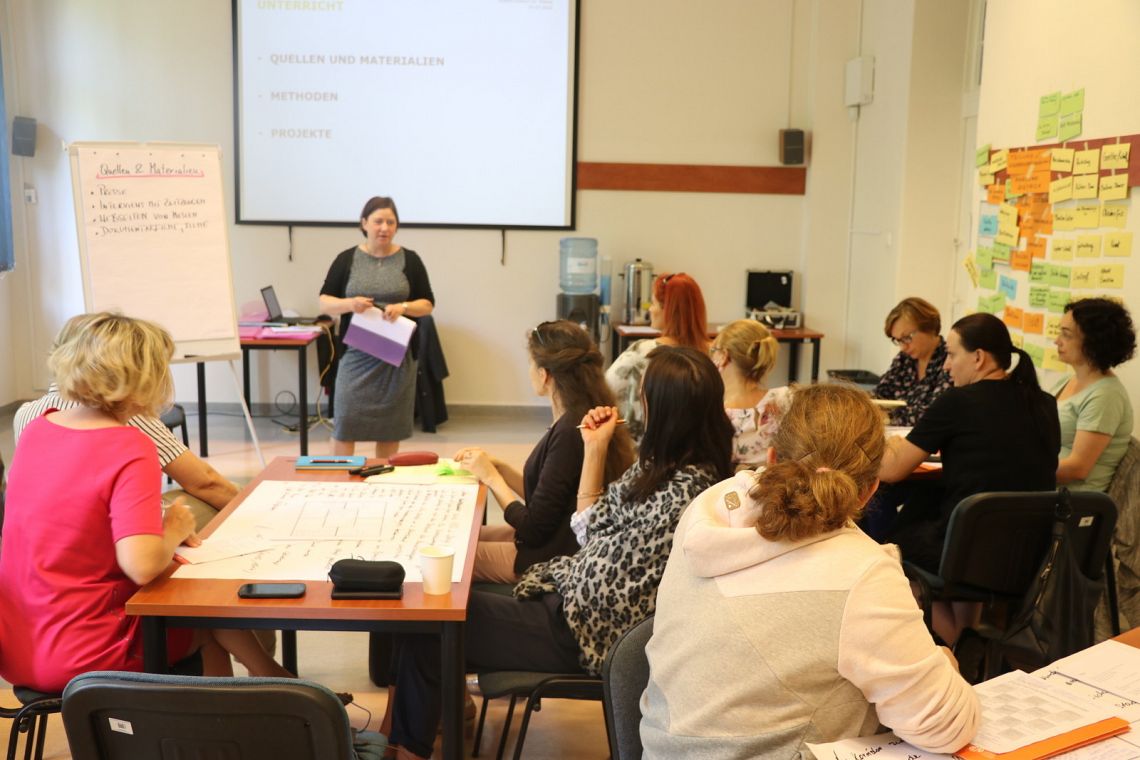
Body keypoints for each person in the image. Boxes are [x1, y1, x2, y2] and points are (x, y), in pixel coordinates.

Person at [382, 347, 734, 760]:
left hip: (581, 634)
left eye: (644, 398)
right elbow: (588, 529)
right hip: (566, 602)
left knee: (429, 624)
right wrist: (594, 449)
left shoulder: (684, 492)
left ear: (664, 411)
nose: (638, 408)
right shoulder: (661, 468)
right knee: (428, 613)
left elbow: (599, 568)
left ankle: (405, 749)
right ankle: (414, 732)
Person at [641, 384, 980, 758]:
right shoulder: (861, 573)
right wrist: (945, 663)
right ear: (871, 489)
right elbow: (945, 727)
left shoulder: (706, 510)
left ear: (771, 457)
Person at [0, 313, 299, 693]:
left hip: (20, 646)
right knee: (200, 609)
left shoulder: (38, 427)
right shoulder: (129, 445)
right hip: (85, 652)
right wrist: (173, 528)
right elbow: (140, 566)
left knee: (183, 589)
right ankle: (248, 704)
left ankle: (270, 682)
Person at [878, 312, 1060, 642]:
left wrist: (873, 442)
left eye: (951, 354)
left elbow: (892, 470)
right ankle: (968, 638)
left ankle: (955, 646)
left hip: (968, 549)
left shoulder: (957, 402)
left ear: (978, 357)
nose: (946, 366)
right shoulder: (1044, 403)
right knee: (941, 517)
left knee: (890, 546)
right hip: (1030, 553)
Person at [13, 313, 237, 529]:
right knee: (220, 499)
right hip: (118, 540)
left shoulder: (27, 416)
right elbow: (205, 482)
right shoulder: (125, 424)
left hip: (51, 538)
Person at [455, 321, 634, 583]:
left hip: (553, 555)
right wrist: (499, 468)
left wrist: (492, 478)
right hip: (554, 540)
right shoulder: (579, 415)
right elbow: (548, 502)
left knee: (454, 557)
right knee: (460, 536)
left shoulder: (572, 430)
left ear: (544, 374)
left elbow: (533, 528)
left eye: (531, 363)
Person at [319, 196, 435, 459]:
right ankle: (341, 477)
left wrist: (403, 307)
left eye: (390, 222)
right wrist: (351, 303)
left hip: (396, 360)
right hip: (356, 356)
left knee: (389, 429)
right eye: (378, 221)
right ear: (364, 223)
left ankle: (382, 476)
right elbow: (324, 302)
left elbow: (427, 304)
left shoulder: (410, 260)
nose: (384, 228)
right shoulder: (347, 259)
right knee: (345, 424)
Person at [606, 272, 708, 443]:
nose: (650, 309)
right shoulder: (710, 356)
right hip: (693, 449)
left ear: (668, 310)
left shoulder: (641, 352)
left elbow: (604, 389)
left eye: (653, 303)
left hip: (642, 448)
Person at [1052, 297, 1136, 492]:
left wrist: (1018, 470)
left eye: (1066, 335)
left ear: (1094, 342)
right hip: (1045, 489)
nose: (1057, 341)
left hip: (1070, 502)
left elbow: (1077, 469)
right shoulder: (1067, 381)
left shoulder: (1106, 395)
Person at [708, 318, 793, 469]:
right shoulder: (786, 398)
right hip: (777, 481)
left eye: (713, 351)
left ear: (724, 356)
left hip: (727, 484)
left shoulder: (712, 413)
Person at [873, 297, 953, 426]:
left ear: (929, 328)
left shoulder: (950, 360)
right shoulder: (904, 359)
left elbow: (933, 415)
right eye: (898, 340)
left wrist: (888, 416)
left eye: (907, 338)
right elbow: (878, 396)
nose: (903, 347)